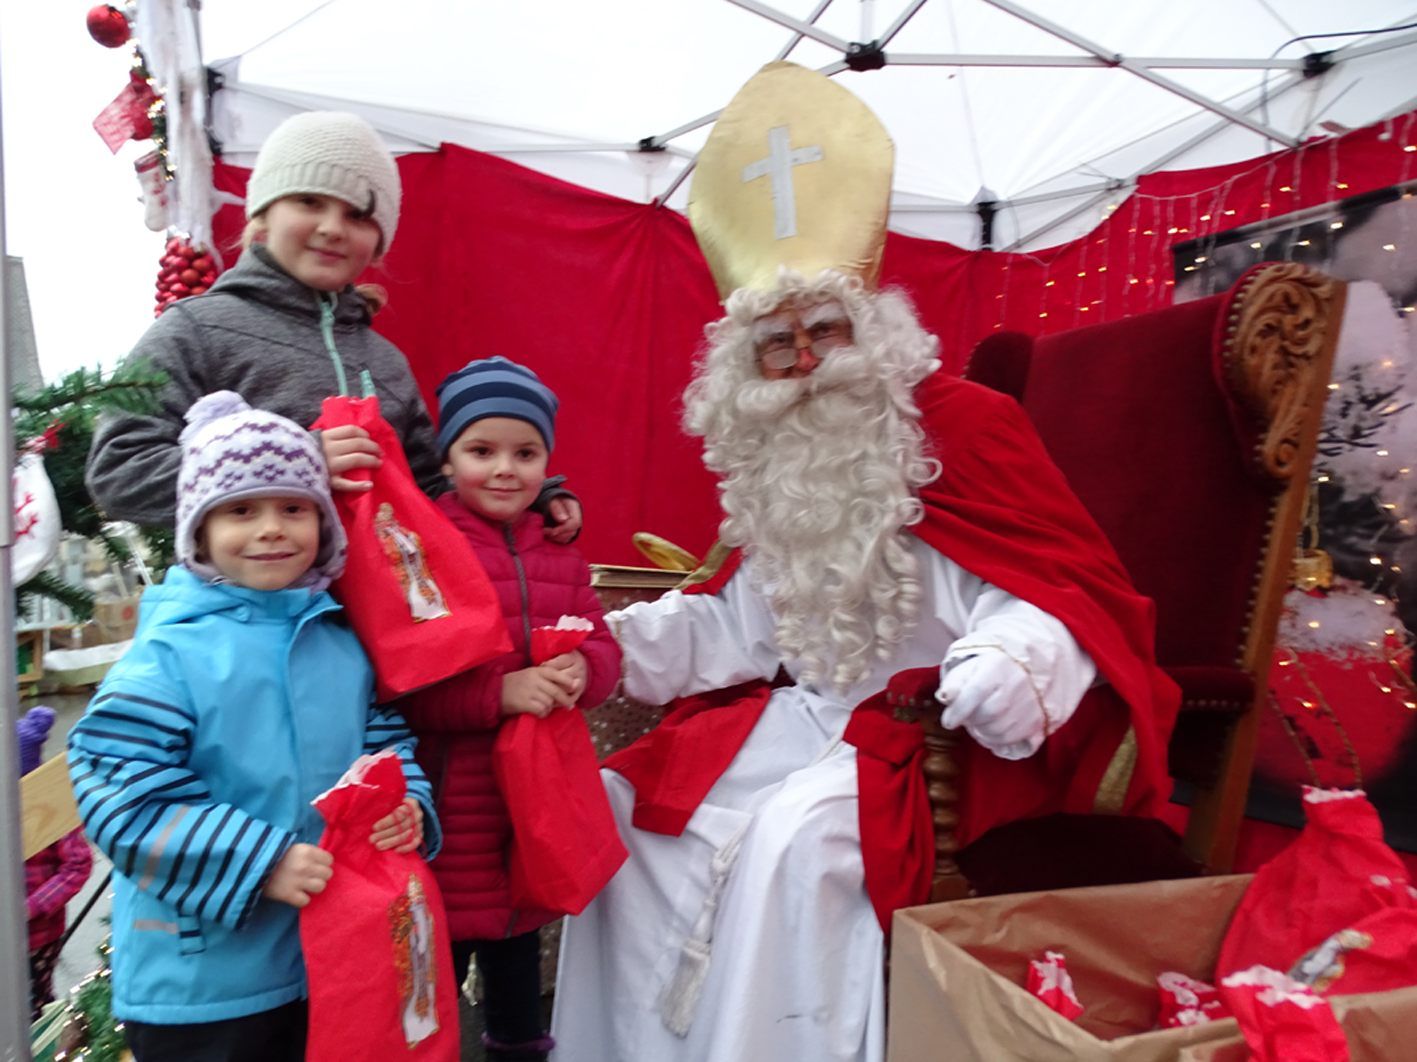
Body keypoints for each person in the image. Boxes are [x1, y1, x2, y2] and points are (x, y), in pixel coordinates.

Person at [551, 63, 1179, 1062]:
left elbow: (1053, 592)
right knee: (622, 810)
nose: (805, 362)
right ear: (743, 368)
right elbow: (740, 621)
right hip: (795, 717)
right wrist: (611, 651)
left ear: (869, 330)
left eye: (824, 331)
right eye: (778, 344)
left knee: (791, 845)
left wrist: (1008, 666)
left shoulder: (968, 428)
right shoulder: (778, 465)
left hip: (929, 732)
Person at [68, 392, 439, 1062]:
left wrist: (405, 802)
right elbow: (118, 788)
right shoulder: (171, 654)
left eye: (293, 508)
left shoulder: (338, 637)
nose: (271, 528)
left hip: (326, 954)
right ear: (198, 531)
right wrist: (257, 860)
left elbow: (380, 739)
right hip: (205, 980)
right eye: (241, 510)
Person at [84, 110, 580, 543]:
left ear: (379, 241)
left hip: (378, 635)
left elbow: (432, 493)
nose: (332, 228)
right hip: (248, 626)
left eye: (358, 216)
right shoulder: (194, 329)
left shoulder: (385, 361)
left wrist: (521, 497)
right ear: (263, 214)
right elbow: (119, 473)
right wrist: (293, 462)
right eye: (309, 202)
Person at [397, 357, 621, 1062]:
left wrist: (584, 668)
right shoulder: (423, 548)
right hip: (450, 807)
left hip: (529, 810)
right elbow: (401, 681)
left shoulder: (562, 555)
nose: (504, 470)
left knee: (519, 975)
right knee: (430, 986)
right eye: (481, 450)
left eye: (525, 453)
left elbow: (604, 646)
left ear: (547, 461)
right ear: (447, 456)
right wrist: (499, 694)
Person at [17, 705, 94, 1021]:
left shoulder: (51, 814)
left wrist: (32, 907)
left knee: (31, 1005)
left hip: (39, 937)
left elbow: (78, 865)